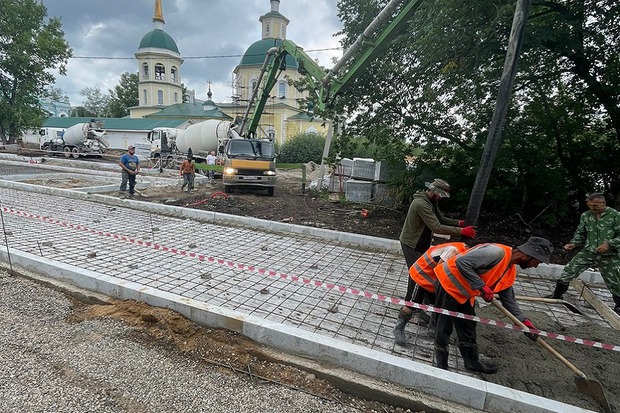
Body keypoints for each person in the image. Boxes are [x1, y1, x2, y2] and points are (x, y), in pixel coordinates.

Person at [432, 236, 553, 374]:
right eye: (538, 261)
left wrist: (523, 322)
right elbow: (462, 262)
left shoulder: (510, 269)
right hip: (448, 283)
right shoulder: (495, 253)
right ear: (528, 256)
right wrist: (481, 286)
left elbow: (508, 300)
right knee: (444, 326)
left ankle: (472, 362)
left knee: (468, 325)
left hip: (464, 291)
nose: (536, 266)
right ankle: (441, 365)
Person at [398, 178, 476, 323]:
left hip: (421, 244)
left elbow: (440, 219)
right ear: (433, 192)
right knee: (417, 276)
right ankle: (409, 307)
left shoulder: (431, 202)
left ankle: (419, 303)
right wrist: (461, 231)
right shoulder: (421, 204)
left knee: (422, 275)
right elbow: (437, 227)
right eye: (440, 195)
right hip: (411, 243)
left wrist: (459, 223)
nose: (441, 198)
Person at [546, 193, 620, 315]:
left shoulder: (615, 216)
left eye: (595, 205)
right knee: (569, 270)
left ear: (603, 203)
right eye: (590, 205)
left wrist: (609, 244)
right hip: (589, 251)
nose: (593, 208)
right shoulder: (586, 216)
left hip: (609, 255)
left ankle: (618, 307)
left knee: (615, 281)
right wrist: (574, 243)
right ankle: (557, 296)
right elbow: (580, 232)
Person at [394, 242, 468, 346]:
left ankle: (433, 329)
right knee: (412, 304)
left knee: (440, 303)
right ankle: (399, 328)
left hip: (432, 279)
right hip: (420, 275)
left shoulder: (464, 250)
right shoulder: (454, 251)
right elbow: (440, 271)